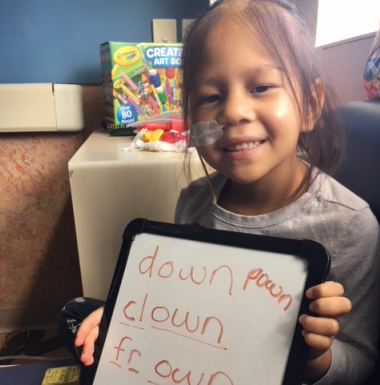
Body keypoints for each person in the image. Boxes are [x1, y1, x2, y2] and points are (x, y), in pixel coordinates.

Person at [59, 1, 380, 384]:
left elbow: (363, 363)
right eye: (211, 97)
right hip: (194, 360)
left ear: (309, 105)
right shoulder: (194, 199)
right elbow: (177, 303)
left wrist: (317, 358)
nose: (234, 112)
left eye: (261, 87)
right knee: (77, 314)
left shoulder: (349, 226)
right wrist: (126, 316)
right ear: (193, 121)